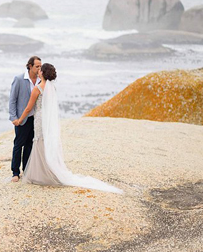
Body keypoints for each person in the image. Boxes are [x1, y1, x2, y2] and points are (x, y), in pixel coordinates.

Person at [13, 63, 122, 193]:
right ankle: (47, 169)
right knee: (45, 142)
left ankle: (41, 173)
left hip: (40, 118)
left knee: (38, 141)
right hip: (48, 117)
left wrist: (20, 120)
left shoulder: (38, 88)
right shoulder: (51, 87)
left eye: (40, 70)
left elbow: (29, 107)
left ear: (43, 73)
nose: (39, 71)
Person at [8, 56, 42, 183]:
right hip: (21, 119)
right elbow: (12, 100)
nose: (39, 68)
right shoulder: (19, 79)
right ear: (30, 66)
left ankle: (26, 170)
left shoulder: (41, 80)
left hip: (35, 118)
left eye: (40, 66)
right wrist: (14, 118)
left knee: (29, 145)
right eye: (37, 66)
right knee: (18, 145)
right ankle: (15, 172)